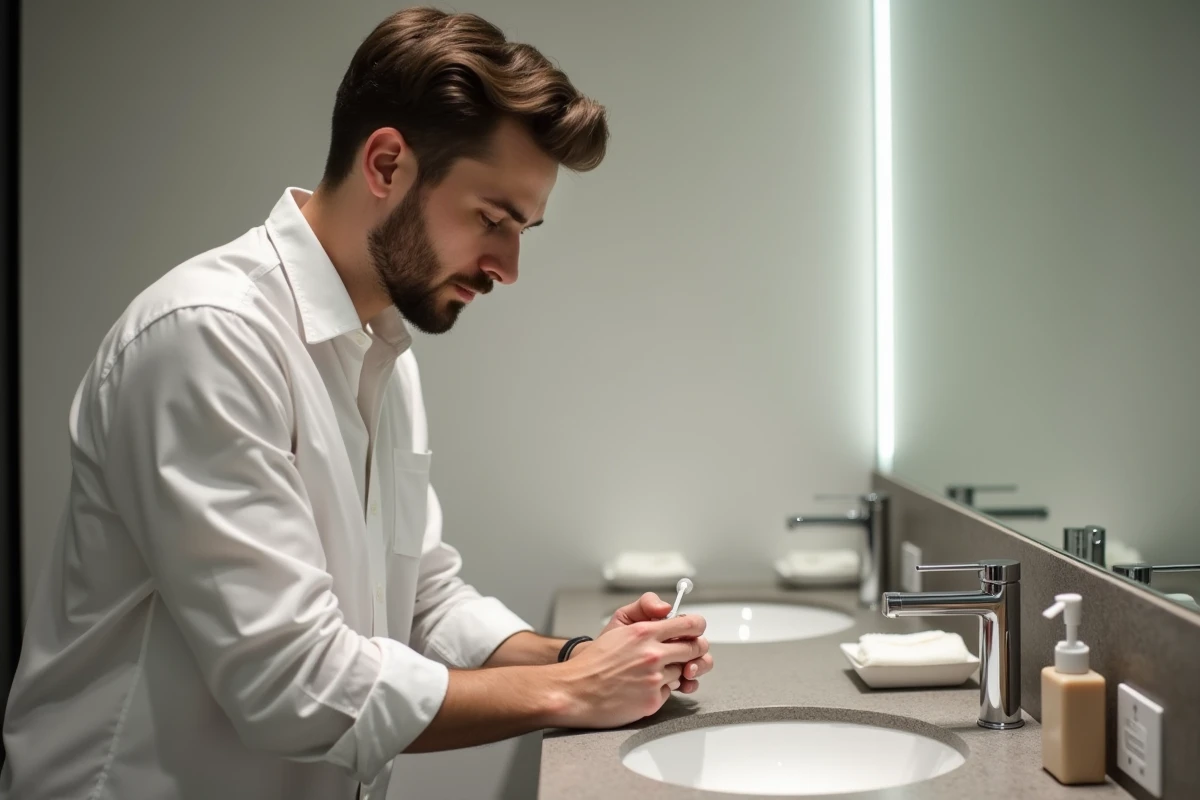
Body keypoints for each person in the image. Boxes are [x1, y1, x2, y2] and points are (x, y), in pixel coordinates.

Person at [0, 8, 713, 800]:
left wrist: (577, 657)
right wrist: (576, 692)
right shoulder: (205, 339)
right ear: (385, 164)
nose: (508, 266)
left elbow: (421, 601)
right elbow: (293, 684)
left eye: (524, 231)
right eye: (492, 219)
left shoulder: (379, 348)